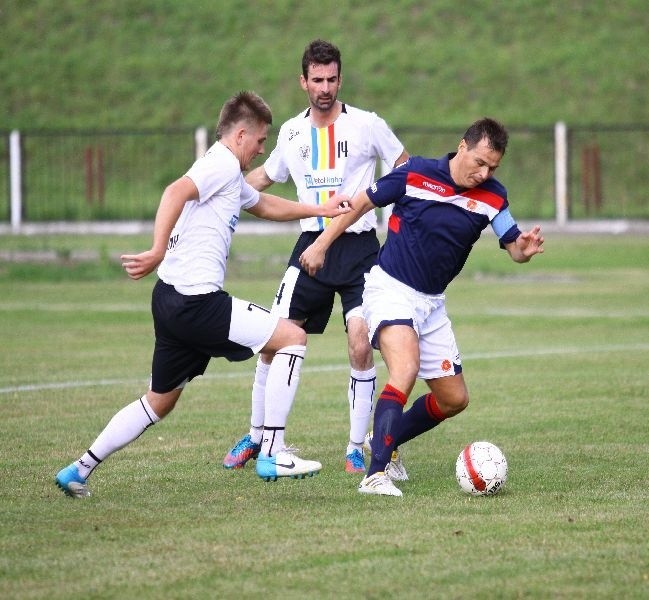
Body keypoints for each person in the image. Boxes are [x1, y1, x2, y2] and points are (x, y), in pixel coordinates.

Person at [54, 91, 351, 498]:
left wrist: (322, 209)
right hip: (198, 302)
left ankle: (78, 469)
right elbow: (174, 192)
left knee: (158, 402)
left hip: (170, 301)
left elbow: (262, 204)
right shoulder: (221, 164)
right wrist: (157, 249)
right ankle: (273, 451)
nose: (262, 149)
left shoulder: (227, 171)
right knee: (292, 338)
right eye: (261, 140)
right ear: (242, 134)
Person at [299, 118, 545, 496]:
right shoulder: (413, 173)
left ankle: (385, 438)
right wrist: (321, 244)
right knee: (406, 368)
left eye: (492, 167)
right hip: (390, 288)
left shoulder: (495, 198)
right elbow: (361, 203)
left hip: (431, 305)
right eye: (479, 162)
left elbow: (513, 245)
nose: (484, 172)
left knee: (454, 399)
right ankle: (375, 474)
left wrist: (523, 252)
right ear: (462, 146)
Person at [222, 39, 409, 476]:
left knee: (361, 343)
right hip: (309, 244)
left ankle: (355, 446)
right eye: (316, 80)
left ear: (340, 79)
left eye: (331, 79)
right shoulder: (289, 132)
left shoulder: (367, 125)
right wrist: (217, 187)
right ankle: (258, 437)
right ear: (303, 81)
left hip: (360, 249)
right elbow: (263, 178)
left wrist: (399, 216)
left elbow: (403, 166)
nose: (324, 88)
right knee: (274, 340)